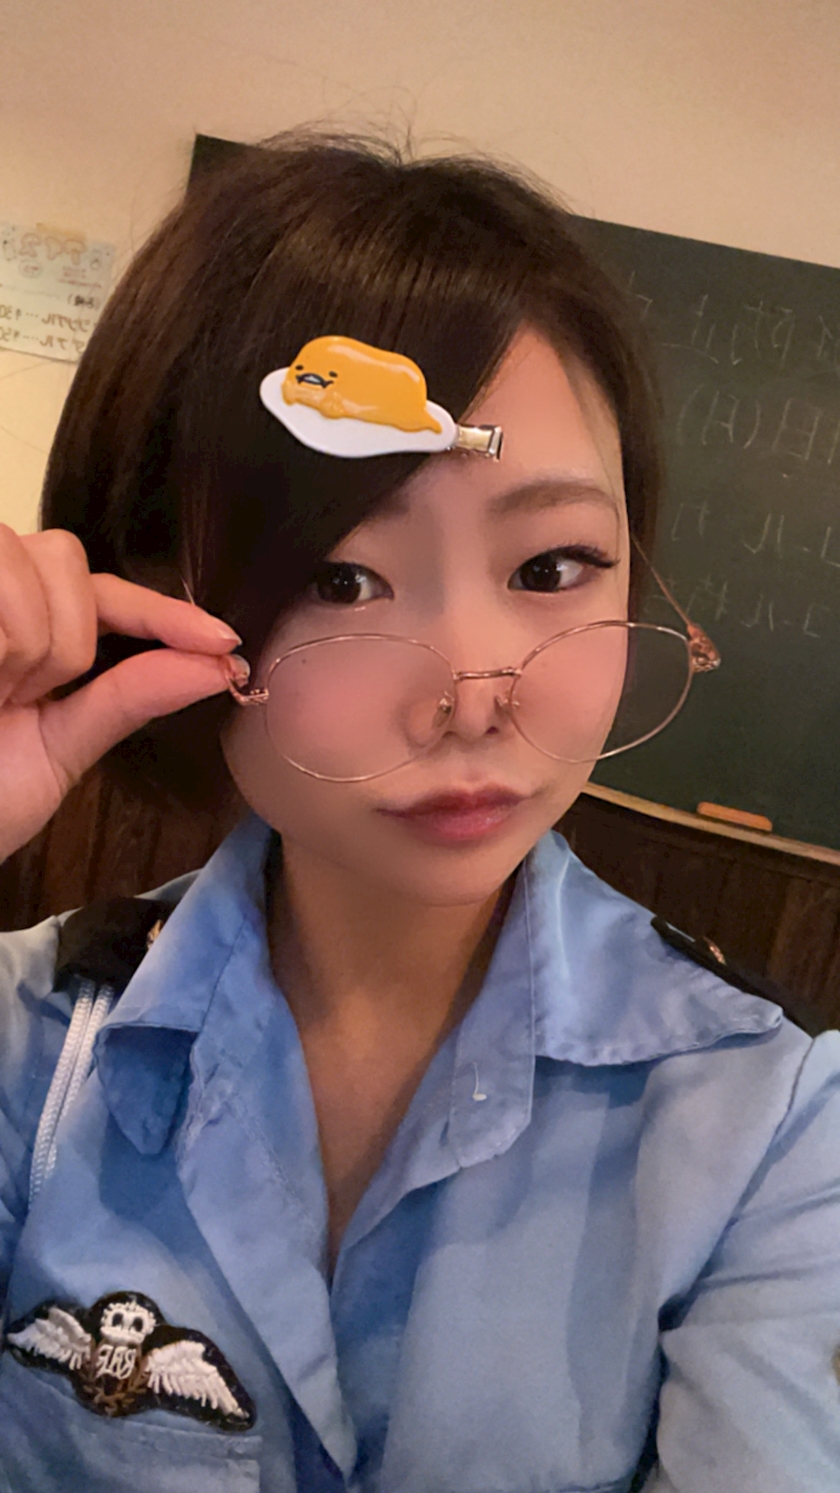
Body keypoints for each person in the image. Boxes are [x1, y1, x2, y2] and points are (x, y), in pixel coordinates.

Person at [0, 133, 838, 1493]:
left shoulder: (773, 1126)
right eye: (341, 580)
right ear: (154, 600)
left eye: (552, 566)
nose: (475, 692)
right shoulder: (33, 1045)